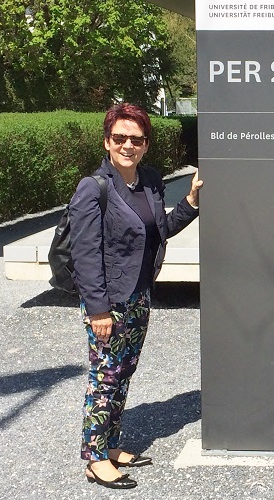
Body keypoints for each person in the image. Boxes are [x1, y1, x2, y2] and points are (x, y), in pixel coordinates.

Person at [69, 103, 202, 489]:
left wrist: (191, 201)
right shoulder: (93, 188)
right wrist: (98, 310)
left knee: (123, 372)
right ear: (107, 142)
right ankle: (95, 458)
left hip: (140, 295)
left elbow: (159, 229)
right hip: (108, 302)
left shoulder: (150, 181)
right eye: (120, 138)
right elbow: (86, 254)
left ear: (145, 144)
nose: (128, 145)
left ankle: (111, 445)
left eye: (136, 139)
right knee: (105, 376)